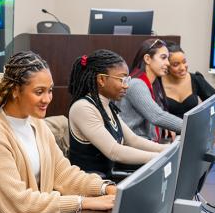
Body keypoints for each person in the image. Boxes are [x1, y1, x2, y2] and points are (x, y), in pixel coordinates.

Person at [0, 51, 116, 213]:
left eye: (50, 90)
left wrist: (105, 188)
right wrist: (83, 202)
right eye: (39, 92)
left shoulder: (37, 124)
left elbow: (64, 174)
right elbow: (19, 203)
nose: (47, 99)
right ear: (15, 90)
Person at [68, 49, 167, 179]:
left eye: (127, 79)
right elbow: (115, 152)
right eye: (122, 79)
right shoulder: (83, 108)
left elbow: (133, 140)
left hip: (106, 180)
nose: (126, 86)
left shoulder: (106, 105)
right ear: (102, 79)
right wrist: (160, 157)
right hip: (90, 186)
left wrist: (166, 149)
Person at [118, 38, 183, 141]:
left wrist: (166, 126)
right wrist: (193, 126)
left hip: (146, 143)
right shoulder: (136, 84)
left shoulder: (154, 83)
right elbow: (157, 116)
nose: (168, 63)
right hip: (134, 147)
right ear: (147, 59)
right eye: (163, 58)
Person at [162, 42, 215, 118]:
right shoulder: (156, 84)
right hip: (169, 129)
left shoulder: (195, 79)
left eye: (184, 62)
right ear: (166, 65)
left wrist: (206, 114)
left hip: (193, 128)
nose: (182, 68)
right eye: (176, 64)